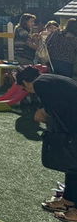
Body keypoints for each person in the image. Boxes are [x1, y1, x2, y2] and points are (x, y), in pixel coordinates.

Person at [16, 68, 77, 220]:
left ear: (25, 82)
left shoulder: (40, 85)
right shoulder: (48, 79)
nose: (28, 92)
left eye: (24, 88)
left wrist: (42, 115)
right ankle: (67, 201)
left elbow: (53, 111)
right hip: (73, 127)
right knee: (72, 166)